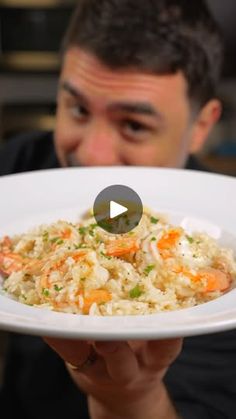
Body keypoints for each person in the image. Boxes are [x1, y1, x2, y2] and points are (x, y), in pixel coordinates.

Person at [0, 1, 235, 418]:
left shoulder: (209, 256)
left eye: (134, 125)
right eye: (78, 109)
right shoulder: (18, 166)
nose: (93, 154)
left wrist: (129, 399)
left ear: (202, 125)